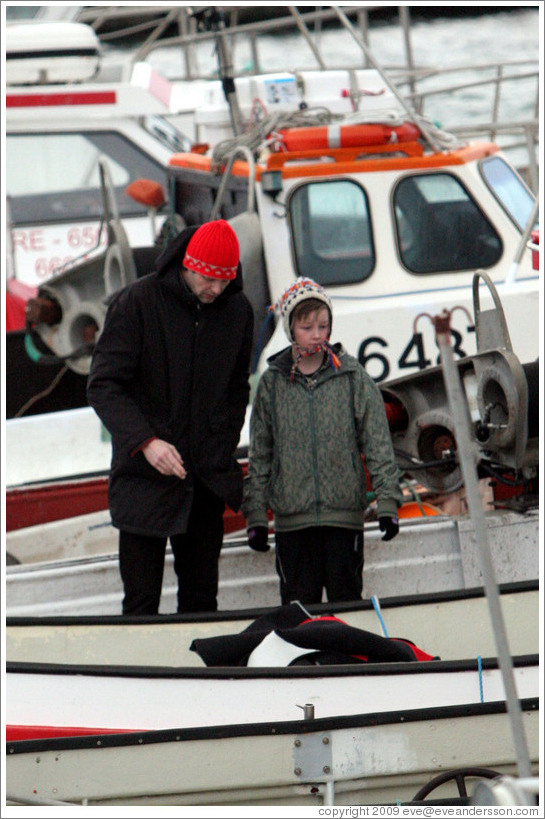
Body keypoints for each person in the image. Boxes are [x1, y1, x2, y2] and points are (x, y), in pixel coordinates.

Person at [87, 219, 253, 615]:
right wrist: (146, 442)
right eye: (208, 279)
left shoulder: (237, 311)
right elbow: (103, 385)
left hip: (205, 482)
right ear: (187, 265)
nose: (215, 289)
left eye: (224, 281)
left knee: (201, 601)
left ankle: (199, 676)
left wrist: (220, 445)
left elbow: (237, 391)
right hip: (142, 481)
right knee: (141, 603)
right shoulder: (136, 303)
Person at [242, 276, 402, 605]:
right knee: (299, 612)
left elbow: (377, 445)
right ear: (290, 329)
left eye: (323, 325)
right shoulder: (272, 385)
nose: (317, 334)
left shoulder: (353, 378)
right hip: (292, 525)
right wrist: (256, 515)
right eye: (307, 327)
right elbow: (261, 455)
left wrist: (387, 502)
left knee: (346, 605)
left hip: (343, 519)